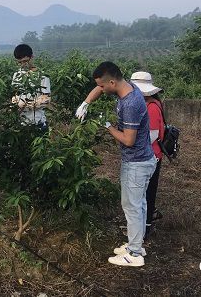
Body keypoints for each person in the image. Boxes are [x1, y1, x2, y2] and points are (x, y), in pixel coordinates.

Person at [75, 61, 156, 267]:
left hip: (136, 163)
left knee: (132, 207)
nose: (100, 90)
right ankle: (136, 245)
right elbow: (99, 87)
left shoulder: (130, 104)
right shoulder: (128, 86)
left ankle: (134, 254)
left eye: (103, 86)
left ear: (112, 82)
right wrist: (86, 102)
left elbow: (128, 140)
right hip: (143, 160)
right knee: (140, 204)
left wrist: (108, 126)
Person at [130, 71, 164, 238]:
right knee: (146, 191)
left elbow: (151, 136)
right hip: (151, 155)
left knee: (147, 192)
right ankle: (145, 224)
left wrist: (128, 140)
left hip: (150, 156)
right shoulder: (153, 104)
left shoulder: (150, 108)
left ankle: (146, 226)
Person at [11, 44, 51, 131]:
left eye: (25, 61)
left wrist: (27, 104)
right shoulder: (16, 75)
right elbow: (15, 95)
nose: (23, 64)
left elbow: (46, 99)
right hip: (21, 123)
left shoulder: (42, 76)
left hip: (38, 122)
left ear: (32, 57)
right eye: (19, 62)